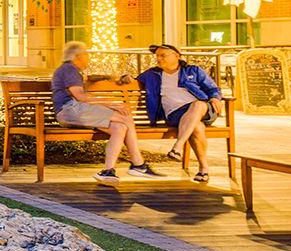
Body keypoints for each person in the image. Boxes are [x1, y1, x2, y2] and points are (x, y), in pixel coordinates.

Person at [51, 41, 159, 183]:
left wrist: (113, 77)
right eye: (86, 55)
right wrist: (114, 105)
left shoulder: (70, 70)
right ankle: (138, 163)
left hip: (75, 112)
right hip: (71, 110)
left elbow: (89, 79)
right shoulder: (69, 69)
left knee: (119, 128)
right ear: (78, 56)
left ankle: (108, 171)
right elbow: (80, 97)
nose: (88, 58)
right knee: (125, 117)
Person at [138, 44, 224, 182]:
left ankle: (178, 146)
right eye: (157, 56)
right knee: (197, 126)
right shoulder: (152, 74)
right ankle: (203, 169)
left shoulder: (193, 70)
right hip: (175, 115)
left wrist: (215, 97)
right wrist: (125, 77)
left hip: (203, 110)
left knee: (197, 105)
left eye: (163, 55)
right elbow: (132, 79)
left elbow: (213, 89)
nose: (158, 58)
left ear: (177, 56)